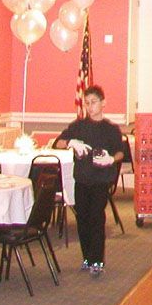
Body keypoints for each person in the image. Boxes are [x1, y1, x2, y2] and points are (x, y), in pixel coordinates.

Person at [55, 85, 124, 277]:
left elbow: (120, 152)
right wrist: (70, 143)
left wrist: (111, 159)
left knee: (96, 218)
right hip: (82, 179)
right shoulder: (79, 126)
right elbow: (57, 142)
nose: (90, 106)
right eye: (87, 103)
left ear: (103, 103)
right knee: (82, 219)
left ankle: (98, 260)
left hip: (101, 179)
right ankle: (87, 257)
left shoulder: (111, 129)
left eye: (93, 102)